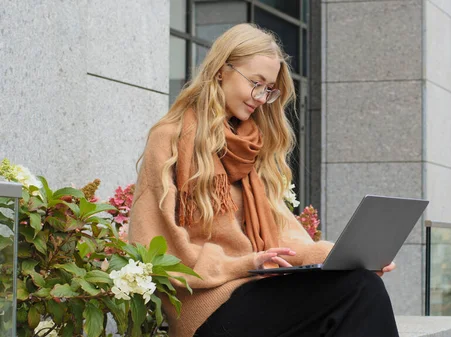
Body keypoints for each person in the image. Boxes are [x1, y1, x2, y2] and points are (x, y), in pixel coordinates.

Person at [129, 23, 399, 337]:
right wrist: (242, 263)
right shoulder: (170, 138)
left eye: (269, 89)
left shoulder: (251, 146)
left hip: (257, 295)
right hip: (207, 310)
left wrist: (346, 258)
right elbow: (155, 246)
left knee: (362, 284)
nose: (262, 97)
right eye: (256, 83)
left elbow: (285, 236)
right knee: (358, 293)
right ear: (221, 71)